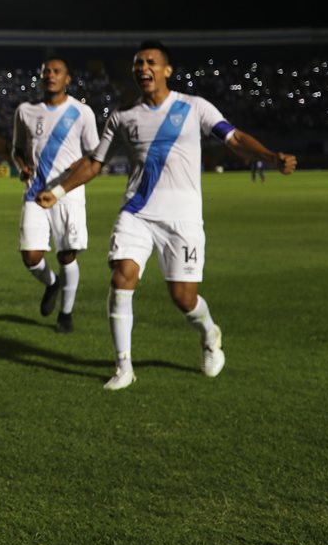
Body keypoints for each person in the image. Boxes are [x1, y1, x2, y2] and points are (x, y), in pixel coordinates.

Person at [36, 41, 296, 390]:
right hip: (137, 213)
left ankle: (209, 332)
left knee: (183, 297)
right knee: (121, 277)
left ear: (167, 70)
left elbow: (233, 138)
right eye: (138, 63)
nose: (144, 68)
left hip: (182, 218)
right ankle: (123, 367)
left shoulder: (194, 107)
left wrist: (270, 156)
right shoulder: (122, 116)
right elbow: (95, 163)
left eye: (151, 62)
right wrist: (59, 190)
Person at [12, 57, 100, 332]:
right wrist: (22, 167)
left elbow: (94, 154)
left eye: (57, 71)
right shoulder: (25, 111)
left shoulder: (81, 113)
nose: (50, 75)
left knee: (66, 256)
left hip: (68, 193)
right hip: (35, 193)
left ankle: (66, 314)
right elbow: (16, 150)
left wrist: (79, 165)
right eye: (46, 71)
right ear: (41, 77)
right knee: (31, 256)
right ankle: (52, 283)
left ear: (67, 79)